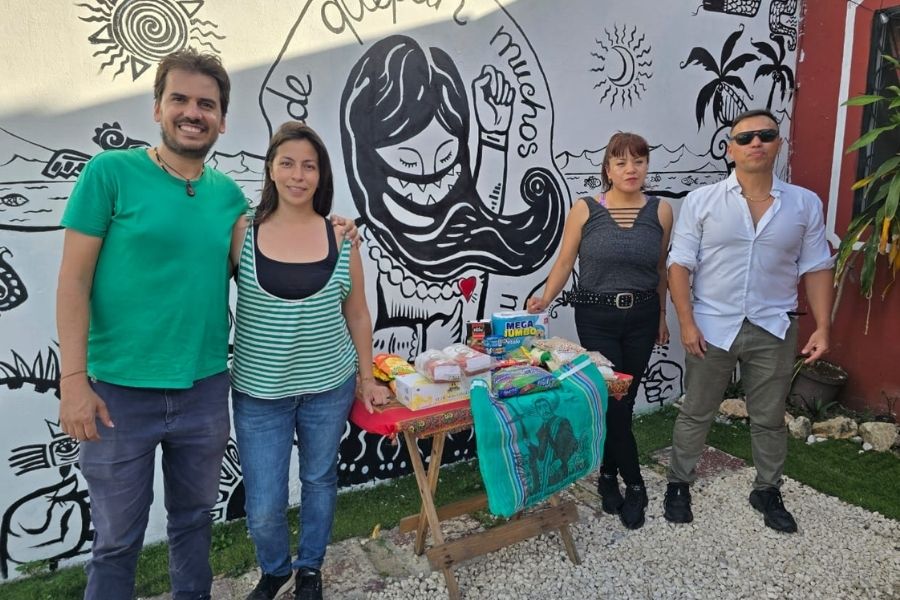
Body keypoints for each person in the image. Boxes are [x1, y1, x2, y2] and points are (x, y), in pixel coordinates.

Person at [56, 50, 356, 600]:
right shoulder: (110, 174)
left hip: (203, 390)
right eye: (180, 100)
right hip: (118, 392)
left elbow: (278, 273)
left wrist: (333, 233)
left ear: (222, 119)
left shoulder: (228, 201)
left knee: (194, 522)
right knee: (117, 541)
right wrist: (73, 380)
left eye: (206, 104)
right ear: (157, 108)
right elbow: (73, 281)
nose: (193, 113)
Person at [229, 122, 389, 600]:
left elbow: (357, 312)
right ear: (270, 169)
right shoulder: (242, 231)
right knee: (264, 503)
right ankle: (275, 570)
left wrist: (366, 378)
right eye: (287, 163)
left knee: (319, 480)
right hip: (260, 393)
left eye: (309, 166)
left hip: (327, 387)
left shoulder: (341, 237)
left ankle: (310, 569)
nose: (298, 175)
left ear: (321, 175)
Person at [664, 109, 833, 533]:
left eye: (765, 135)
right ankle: (679, 483)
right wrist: (686, 322)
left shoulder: (804, 203)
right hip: (711, 326)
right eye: (744, 138)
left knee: (769, 417)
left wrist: (824, 326)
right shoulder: (702, 201)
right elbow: (679, 265)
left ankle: (767, 490)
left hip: (773, 327)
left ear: (778, 144)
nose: (755, 142)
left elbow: (816, 267)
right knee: (696, 410)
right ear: (730, 150)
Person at [527, 132, 673, 530]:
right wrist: (544, 299)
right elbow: (564, 262)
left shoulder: (661, 212)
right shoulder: (585, 209)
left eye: (639, 161)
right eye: (621, 162)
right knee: (613, 401)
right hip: (596, 317)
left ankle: (608, 475)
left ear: (646, 166)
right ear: (607, 169)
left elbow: (660, 269)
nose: (631, 169)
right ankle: (636, 484)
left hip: (642, 316)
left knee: (624, 402)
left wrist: (662, 315)